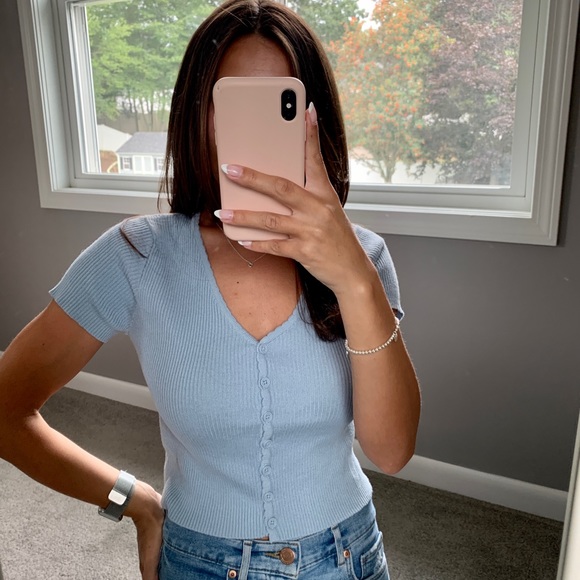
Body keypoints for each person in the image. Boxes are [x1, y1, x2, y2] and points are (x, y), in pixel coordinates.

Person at [0, 1, 421, 578]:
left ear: (315, 119)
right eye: (236, 103)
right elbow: (6, 409)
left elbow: (391, 452)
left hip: (350, 557)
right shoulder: (136, 255)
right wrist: (136, 503)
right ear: (197, 114)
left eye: (280, 105)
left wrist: (355, 278)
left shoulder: (364, 258)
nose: (257, 132)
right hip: (199, 561)